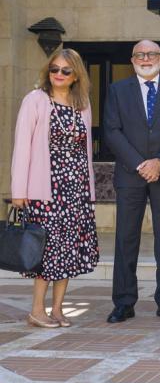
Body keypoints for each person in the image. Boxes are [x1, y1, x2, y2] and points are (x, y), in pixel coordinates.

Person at [11, 48, 99, 328]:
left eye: (65, 71)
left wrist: (89, 190)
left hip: (76, 190)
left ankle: (58, 309)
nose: (58, 75)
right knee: (46, 251)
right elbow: (22, 147)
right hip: (45, 190)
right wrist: (19, 190)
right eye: (54, 69)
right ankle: (37, 310)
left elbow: (86, 151)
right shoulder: (35, 100)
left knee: (69, 250)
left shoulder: (82, 102)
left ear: (76, 76)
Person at [103, 40, 160, 323]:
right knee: (126, 239)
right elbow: (112, 131)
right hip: (131, 175)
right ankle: (124, 303)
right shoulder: (117, 90)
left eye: (151, 54)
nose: (146, 58)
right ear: (132, 60)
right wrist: (140, 164)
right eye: (140, 54)